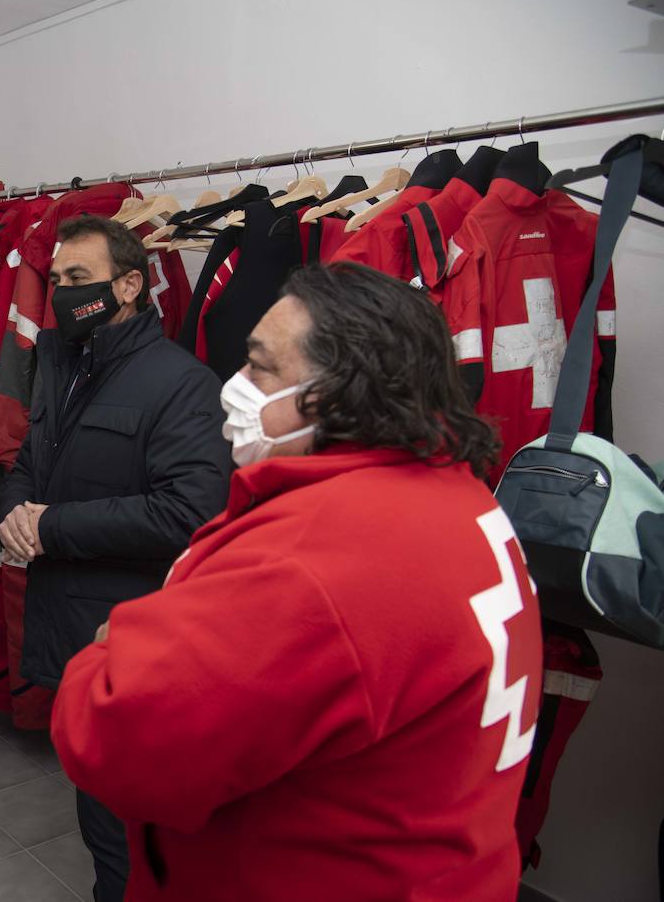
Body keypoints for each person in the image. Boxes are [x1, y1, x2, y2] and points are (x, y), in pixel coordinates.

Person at [51, 263, 544, 901]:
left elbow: (114, 741)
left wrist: (110, 641)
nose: (235, 386)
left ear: (340, 395)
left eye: (259, 367)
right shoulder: (459, 495)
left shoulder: (314, 560)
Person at [0, 214, 232, 902]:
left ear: (129, 285)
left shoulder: (180, 382)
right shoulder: (57, 363)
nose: (63, 293)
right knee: (97, 800)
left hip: (130, 633)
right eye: (57, 280)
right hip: (68, 625)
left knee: (125, 832)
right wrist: (16, 510)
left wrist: (54, 526)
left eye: (79, 280)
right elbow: (29, 461)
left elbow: (191, 511)